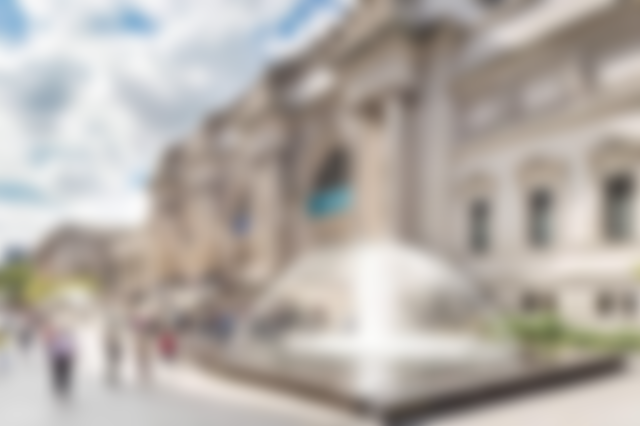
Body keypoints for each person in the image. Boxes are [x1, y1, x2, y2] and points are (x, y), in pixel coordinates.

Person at [45, 324, 77, 400]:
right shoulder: (69, 340)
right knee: (65, 374)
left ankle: (60, 388)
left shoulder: (56, 340)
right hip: (65, 359)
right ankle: (63, 388)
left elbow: (52, 350)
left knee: (59, 374)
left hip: (59, 359)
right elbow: (72, 350)